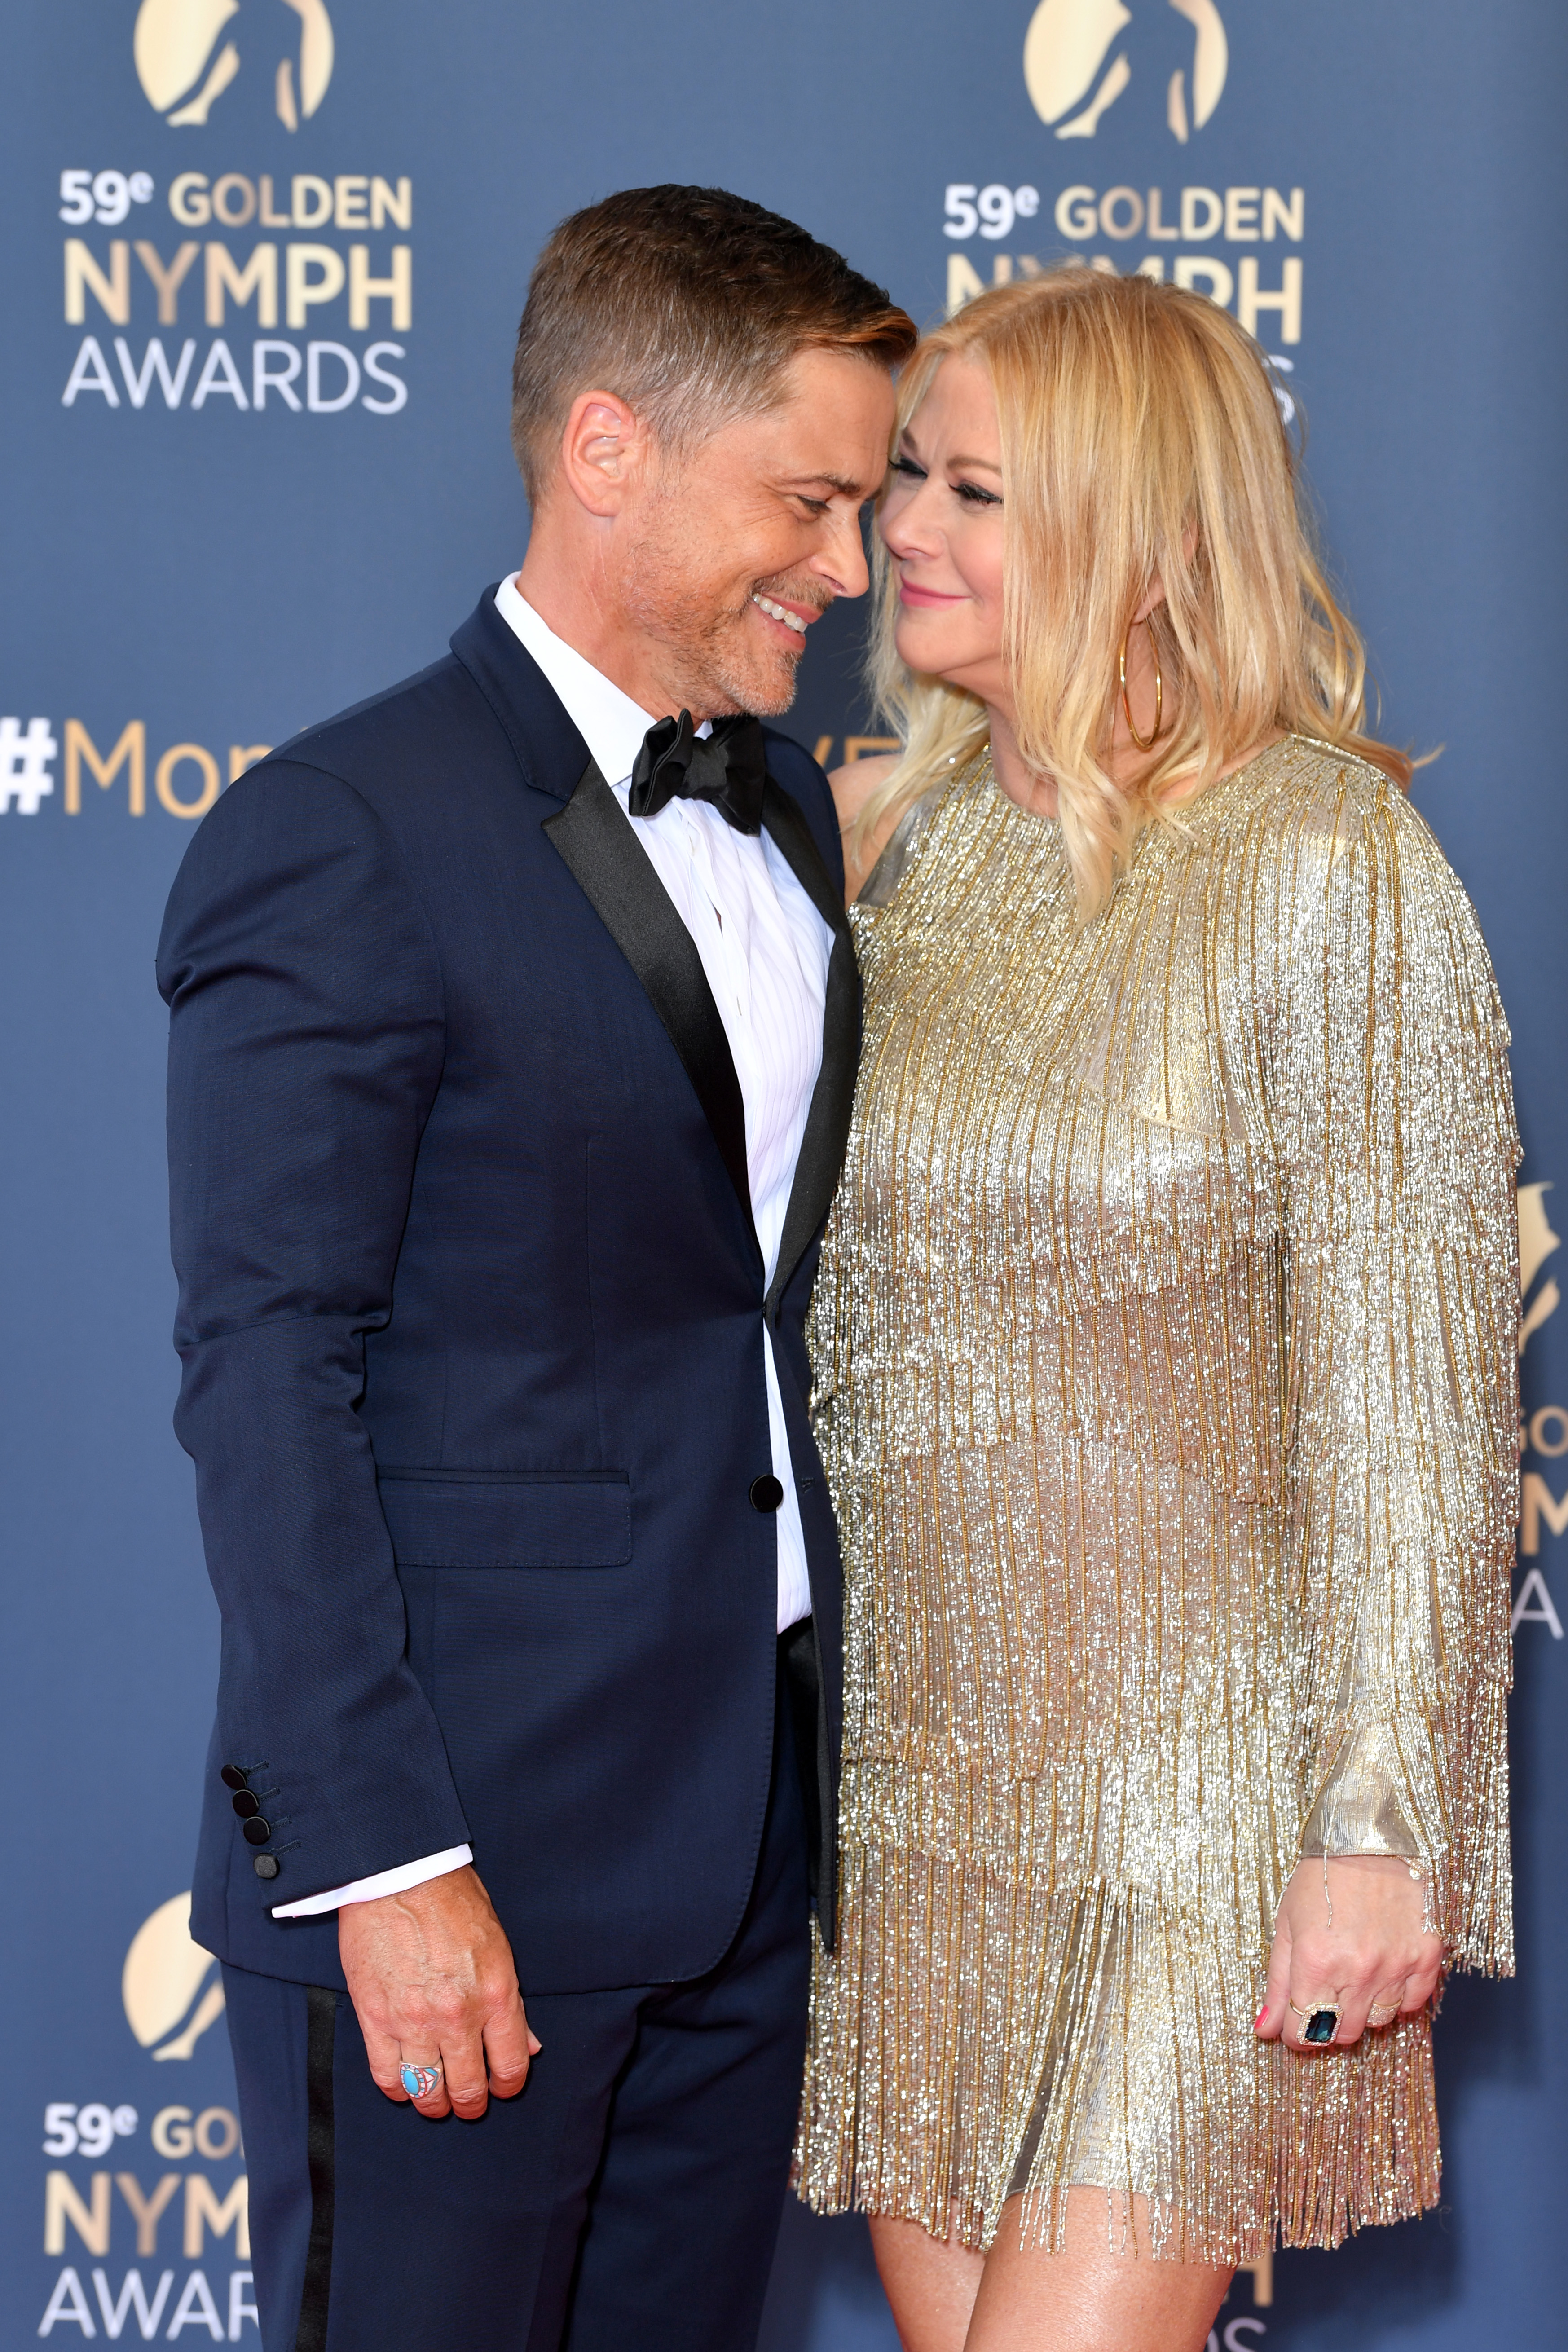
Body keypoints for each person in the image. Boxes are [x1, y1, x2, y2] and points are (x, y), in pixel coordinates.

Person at [157, 184, 914, 2352]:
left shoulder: (778, 808)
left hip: (741, 1861)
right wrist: (386, 1861)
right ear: (610, 450)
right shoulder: (345, 830)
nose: (848, 568)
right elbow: (265, 1366)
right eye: (808, 497)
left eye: (864, 507)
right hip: (461, 1865)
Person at [795, 271, 1519, 2352]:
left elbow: (1413, 1398)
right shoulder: (884, 857)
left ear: (1148, 538)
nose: (903, 525)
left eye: (978, 491)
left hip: (1197, 1810)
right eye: (913, 474)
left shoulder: (1327, 865)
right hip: (912, 1807)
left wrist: (1378, 1822)